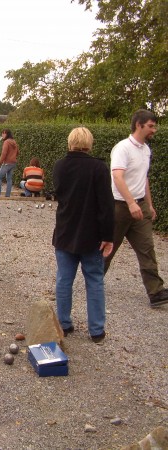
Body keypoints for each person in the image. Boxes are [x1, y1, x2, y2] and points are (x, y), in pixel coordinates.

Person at [52, 127, 114, 343]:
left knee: (64, 279)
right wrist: (108, 236)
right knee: (95, 280)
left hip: (65, 231)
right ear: (89, 143)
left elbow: (59, 194)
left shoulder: (60, 166)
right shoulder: (99, 167)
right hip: (92, 235)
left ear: (70, 143)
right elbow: (106, 205)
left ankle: (65, 324)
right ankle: (96, 331)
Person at [104, 109, 168, 308]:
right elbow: (117, 177)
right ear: (139, 125)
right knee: (108, 248)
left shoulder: (146, 149)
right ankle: (94, 280)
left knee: (147, 248)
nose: (154, 130)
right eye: (151, 126)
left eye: (154, 126)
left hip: (139, 205)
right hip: (119, 206)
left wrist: (148, 204)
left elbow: (144, 177)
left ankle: (156, 292)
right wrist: (131, 202)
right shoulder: (122, 148)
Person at [0, 129, 19, 197]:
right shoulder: (14, 142)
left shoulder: (6, 142)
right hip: (13, 163)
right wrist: (13, 157)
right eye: (2, 133)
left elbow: (3, 154)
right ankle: (7, 195)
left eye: (4, 133)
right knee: (9, 179)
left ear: (7, 134)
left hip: (7, 163)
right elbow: (18, 152)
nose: (2, 135)